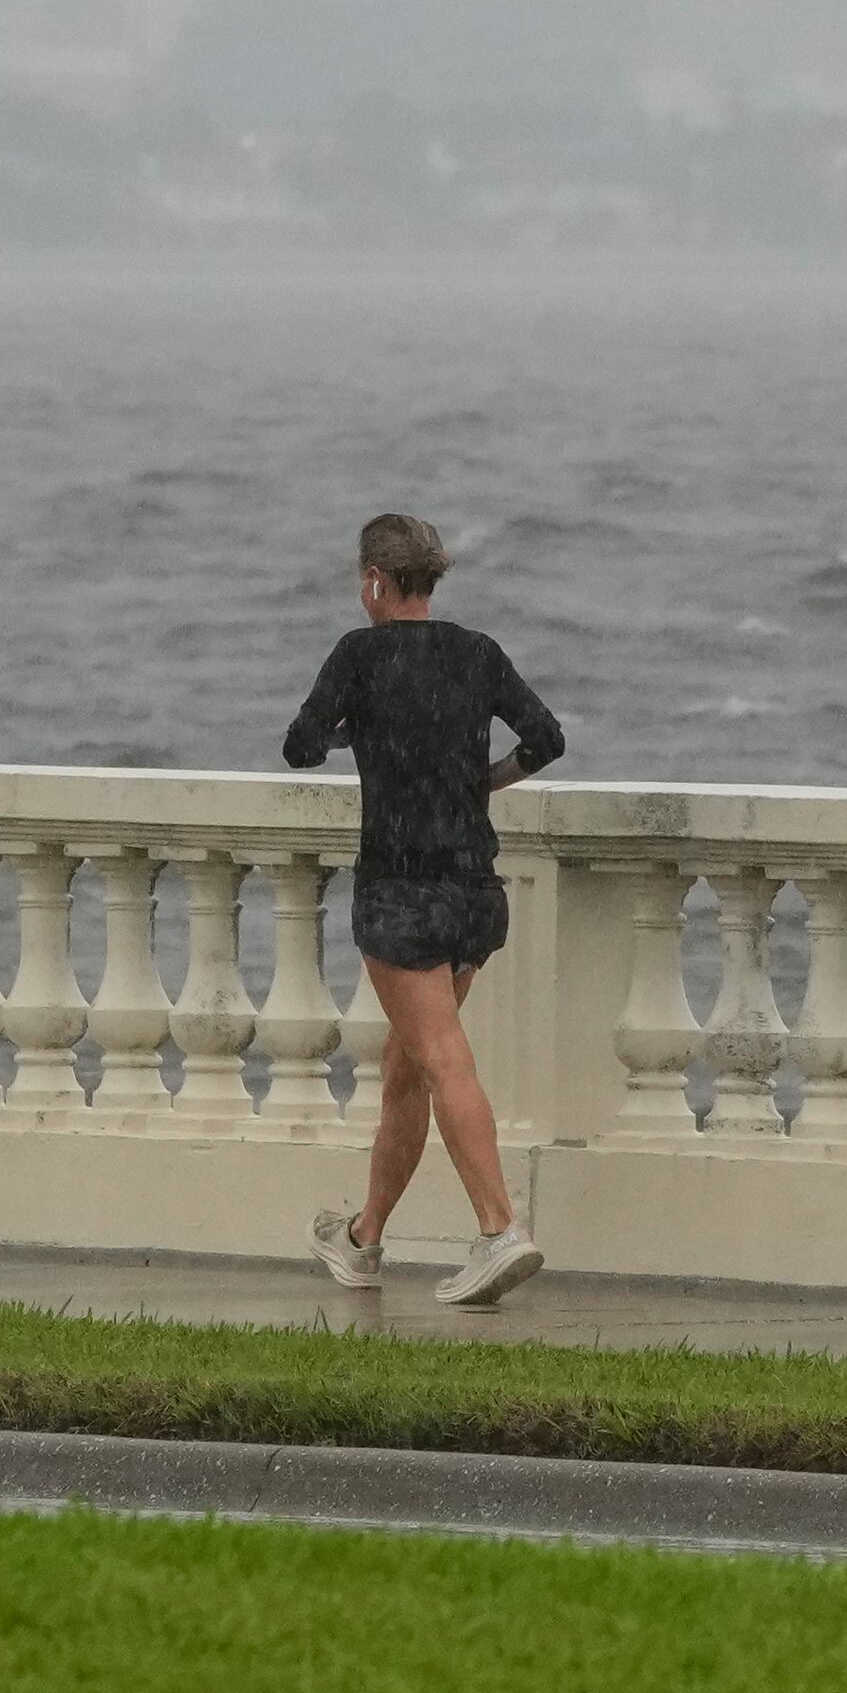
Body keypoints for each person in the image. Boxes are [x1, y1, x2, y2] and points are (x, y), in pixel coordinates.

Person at [283, 511, 561, 1308]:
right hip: (474, 894)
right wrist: (483, 780)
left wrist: (353, 732)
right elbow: (545, 738)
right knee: (407, 1068)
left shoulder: (359, 655)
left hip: (402, 894)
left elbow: (300, 745)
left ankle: (499, 1229)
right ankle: (365, 1238)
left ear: (375, 580)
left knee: (441, 1058)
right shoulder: (477, 651)